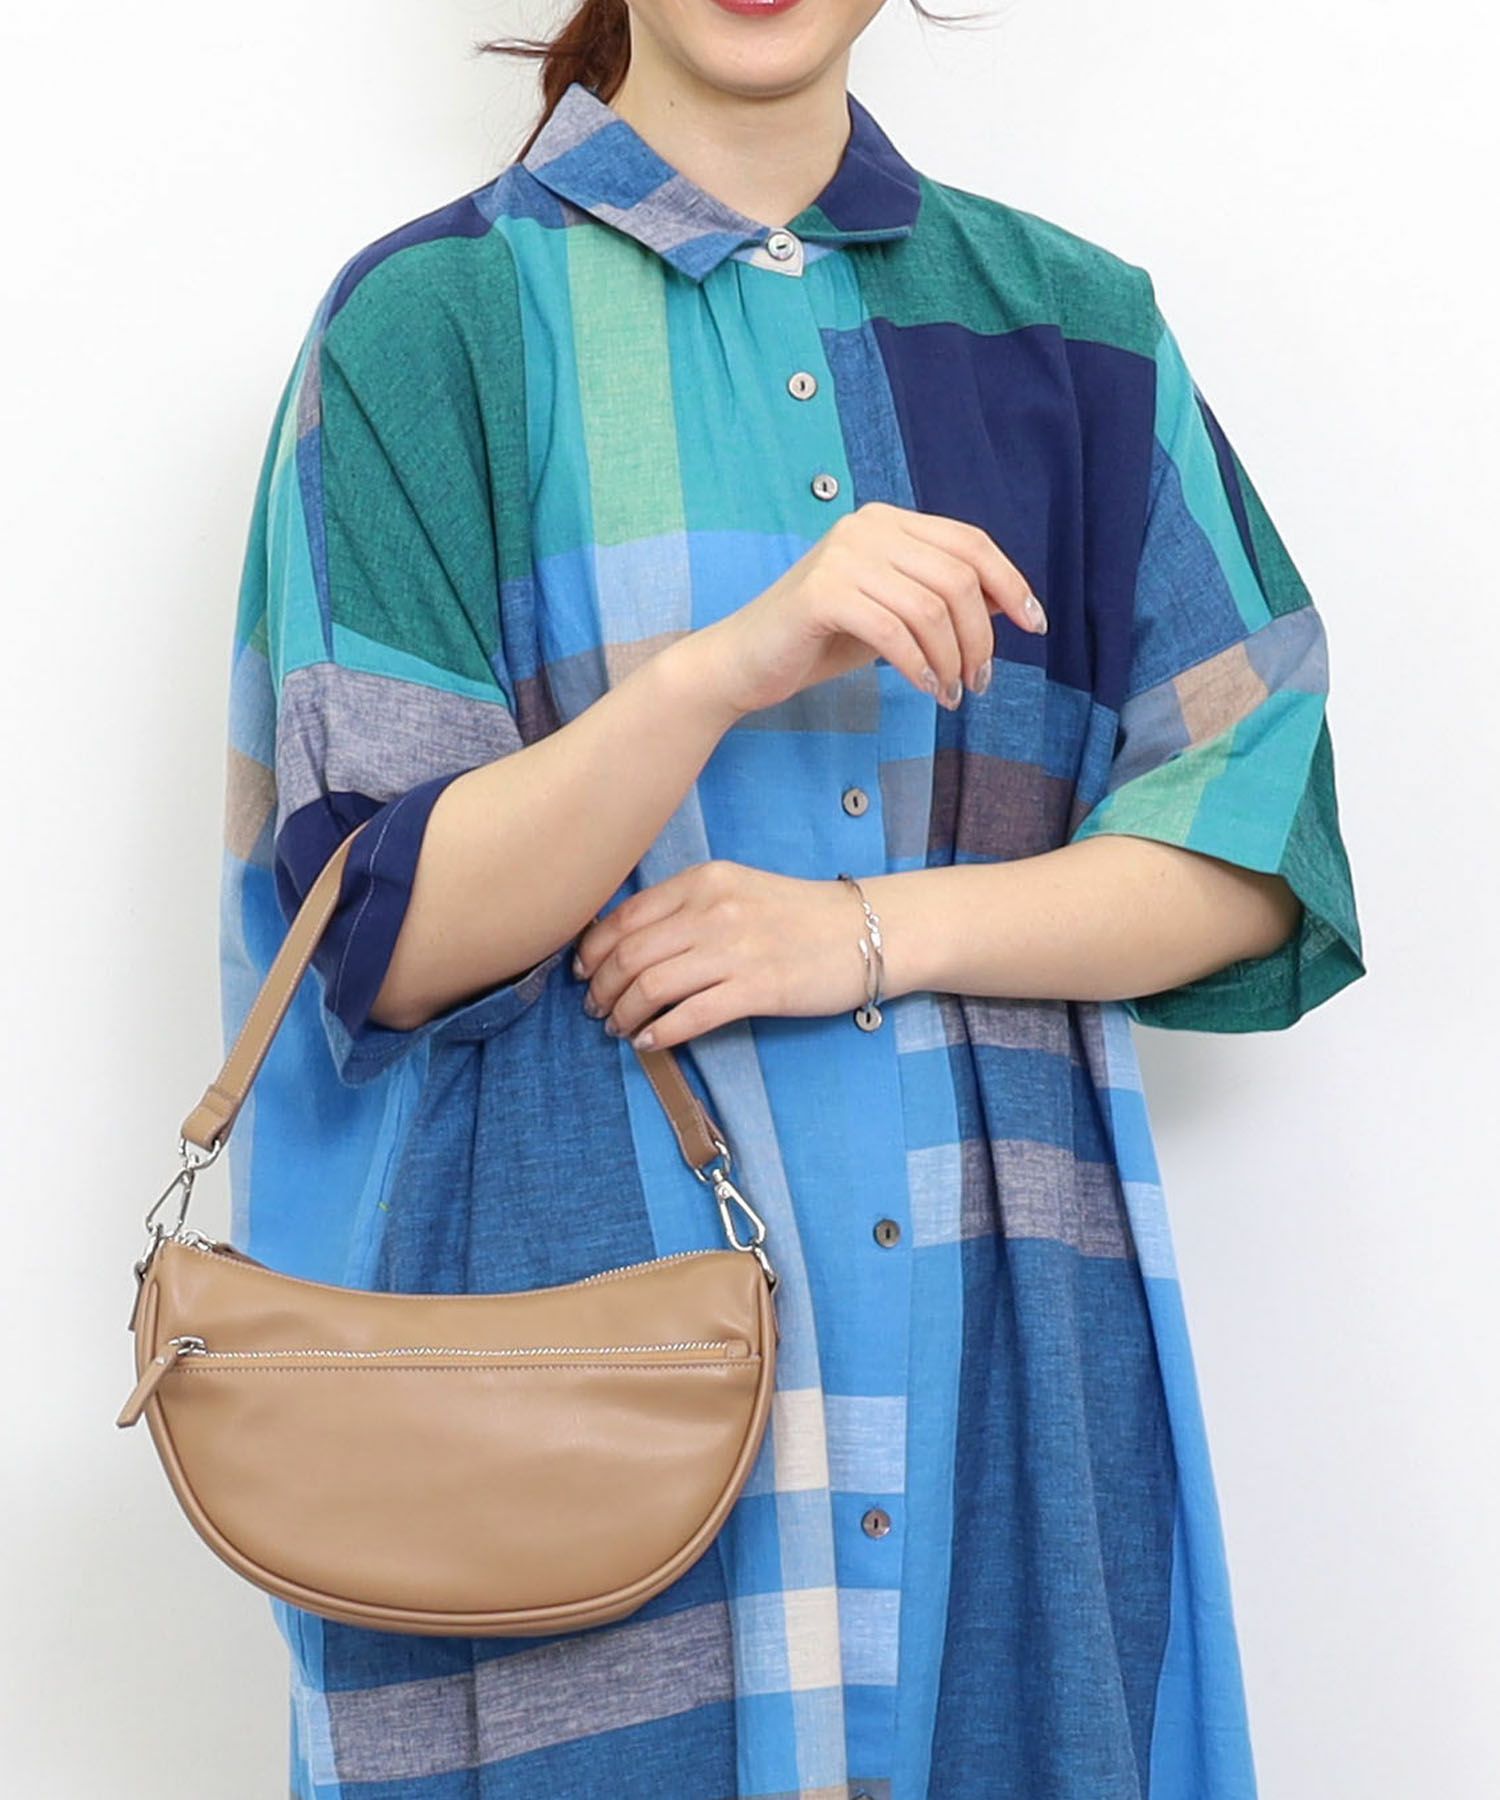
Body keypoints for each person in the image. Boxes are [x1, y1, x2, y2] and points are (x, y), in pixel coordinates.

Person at [217, 0, 1366, 1794]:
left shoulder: (1075, 332)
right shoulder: (431, 327)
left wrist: (863, 935)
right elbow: (383, 936)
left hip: (1004, 1382)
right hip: (559, 1408)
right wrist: (718, 670)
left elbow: (1254, 843)